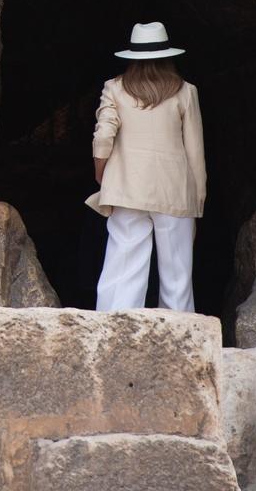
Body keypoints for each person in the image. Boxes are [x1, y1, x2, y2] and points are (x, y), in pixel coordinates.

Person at [85, 21, 206, 312]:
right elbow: (195, 152)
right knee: (177, 273)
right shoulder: (186, 91)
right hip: (174, 189)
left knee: (123, 265)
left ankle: (114, 330)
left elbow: (103, 135)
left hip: (127, 187)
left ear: (132, 56)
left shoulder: (114, 89)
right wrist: (198, 201)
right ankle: (180, 335)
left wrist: (102, 173)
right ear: (167, 56)